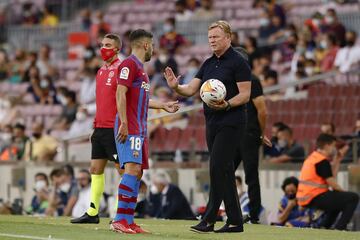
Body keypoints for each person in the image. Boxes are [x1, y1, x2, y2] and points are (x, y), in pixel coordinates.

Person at [164, 20, 251, 233]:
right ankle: (235, 221)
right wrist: (176, 86)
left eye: (216, 37)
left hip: (232, 120)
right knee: (226, 170)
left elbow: (245, 95)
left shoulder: (239, 62)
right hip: (211, 120)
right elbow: (191, 89)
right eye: (210, 37)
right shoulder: (208, 63)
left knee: (216, 167)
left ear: (228, 38)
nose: (212, 40)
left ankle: (209, 219)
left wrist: (227, 104)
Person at [111, 29, 180, 234]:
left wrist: (164, 106)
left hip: (140, 128)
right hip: (129, 126)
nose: (154, 49)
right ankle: (119, 220)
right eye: (153, 45)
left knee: (138, 172)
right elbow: (120, 93)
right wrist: (123, 122)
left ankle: (128, 220)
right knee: (131, 170)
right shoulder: (129, 64)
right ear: (146, 45)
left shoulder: (141, 69)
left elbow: (142, 99)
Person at [70, 33, 123, 224]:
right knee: (95, 169)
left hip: (114, 129)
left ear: (117, 48)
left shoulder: (121, 69)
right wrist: (95, 124)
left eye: (108, 45)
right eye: (102, 45)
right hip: (99, 128)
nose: (103, 48)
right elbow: (102, 102)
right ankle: (93, 212)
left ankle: (121, 214)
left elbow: (124, 99)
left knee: (123, 172)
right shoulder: (101, 71)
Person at [233, 47, 272, 224]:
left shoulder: (252, 80)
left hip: (247, 132)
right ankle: (233, 212)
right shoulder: (238, 79)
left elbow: (262, 111)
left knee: (245, 175)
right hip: (237, 131)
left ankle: (254, 214)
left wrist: (261, 133)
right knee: (230, 173)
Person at [296, 133, 359, 230]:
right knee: (353, 198)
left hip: (307, 196)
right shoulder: (321, 161)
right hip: (314, 196)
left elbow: (331, 177)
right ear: (327, 145)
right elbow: (332, 183)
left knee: (338, 201)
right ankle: (340, 228)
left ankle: (324, 226)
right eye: (333, 145)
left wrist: (337, 160)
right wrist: (343, 193)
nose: (334, 149)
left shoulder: (314, 158)